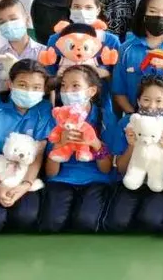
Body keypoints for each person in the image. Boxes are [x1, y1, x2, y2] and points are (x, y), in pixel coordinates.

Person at [0, 60, 52, 235]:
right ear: (10, 84)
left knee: (25, 219)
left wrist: (25, 186)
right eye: (22, 85)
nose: (29, 91)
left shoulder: (44, 109)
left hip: (23, 174)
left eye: (36, 87)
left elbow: (38, 154)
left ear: (44, 89)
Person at [104, 76, 163, 233]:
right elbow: (121, 168)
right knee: (117, 223)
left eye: (159, 101)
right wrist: (132, 146)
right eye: (146, 100)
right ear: (138, 101)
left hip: (161, 182)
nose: (152, 106)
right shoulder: (127, 123)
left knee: (152, 222)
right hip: (130, 180)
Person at [39, 65, 115, 233]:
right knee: (51, 224)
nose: (67, 91)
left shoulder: (104, 116)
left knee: (86, 223)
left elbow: (106, 168)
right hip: (61, 179)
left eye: (75, 86)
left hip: (95, 179)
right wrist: (60, 144)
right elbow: (51, 172)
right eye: (63, 86)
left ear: (91, 91)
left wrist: (95, 143)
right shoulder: (56, 117)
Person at [46, 0, 121, 80]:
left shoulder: (111, 41)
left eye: (88, 7)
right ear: (70, 9)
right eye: (76, 7)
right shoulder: (56, 39)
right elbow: (49, 77)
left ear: (98, 10)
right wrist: (58, 75)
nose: (82, 11)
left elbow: (120, 77)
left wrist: (104, 73)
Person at [0, 0, 44, 100]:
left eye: (13, 19)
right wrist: (3, 87)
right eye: (2, 22)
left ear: (27, 19)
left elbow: (51, 92)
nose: (8, 25)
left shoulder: (44, 53)